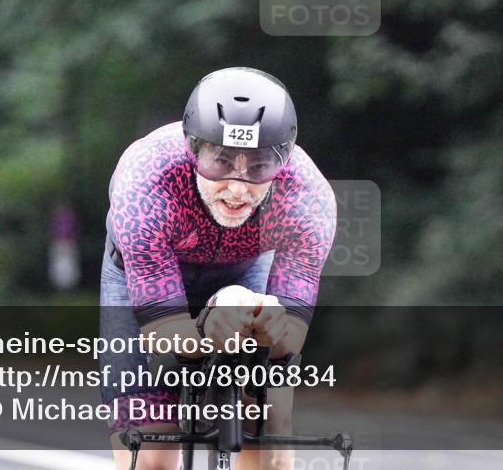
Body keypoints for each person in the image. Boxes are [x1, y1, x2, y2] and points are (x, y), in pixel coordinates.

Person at [99, 67, 337, 470]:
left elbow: (287, 347)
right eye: (220, 161)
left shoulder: (307, 201)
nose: (237, 188)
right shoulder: (146, 181)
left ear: (284, 160)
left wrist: (270, 330)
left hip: (245, 269)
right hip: (141, 276)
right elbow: (163, 341)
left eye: (259, 166)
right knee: (151, 456)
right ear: (192, 151)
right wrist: (206, 330)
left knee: (271, 422)